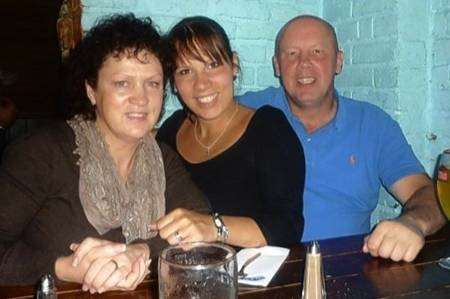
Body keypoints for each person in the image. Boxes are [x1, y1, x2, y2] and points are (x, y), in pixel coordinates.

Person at [0, 14, 211, 292]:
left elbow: (200, 221)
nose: (141, 98)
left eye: (153, 83)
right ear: (91, 91)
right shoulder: (41, 153)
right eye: (123, 83)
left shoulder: (161, 158)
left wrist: (141, 251)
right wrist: (66, 267)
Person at [239, 15, 445, 262]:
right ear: (277, 66)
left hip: (347, 272)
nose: (304, 64)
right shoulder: (245, 112)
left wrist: (413, 223)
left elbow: (425, 192)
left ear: (338, 61)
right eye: (292, 54)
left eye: (317, 52)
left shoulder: (373, 125)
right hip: (260, 275)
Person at [156, 16, 305, 248]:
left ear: (233, 65)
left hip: (254, 280)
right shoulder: (170, 132)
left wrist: (212, 227)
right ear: (174, 83)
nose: (201, 84)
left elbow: (286, 228)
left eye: (212, 65)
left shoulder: (268, 128)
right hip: (186, 274)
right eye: (185, 71)